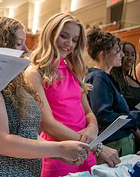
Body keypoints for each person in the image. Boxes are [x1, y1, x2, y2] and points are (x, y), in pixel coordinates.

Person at [0, 17, 90, 177]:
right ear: (0, 45)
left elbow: (27, 134)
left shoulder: (15, 82)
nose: (25, 49)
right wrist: (59, 148)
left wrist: (60, 154)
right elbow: (1, 143)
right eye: (18, 44)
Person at [25, 13, 120, 177]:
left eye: (75, 40)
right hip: (60, 154)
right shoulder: (35, 72)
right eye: (64, 36)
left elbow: (88, 112)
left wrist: (93, 127)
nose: (69, 44)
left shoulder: (73, 68)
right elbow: (48, 124)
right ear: (51, 34)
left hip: (86, 152)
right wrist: (97, 147)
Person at [85, 27, 140, 159]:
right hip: (114, 143)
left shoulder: (104, 77)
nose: (122, 55)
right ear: (103, 54)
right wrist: (132, 118)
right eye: (117, 51)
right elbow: (103, 115)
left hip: (120, 140)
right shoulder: (98, 78)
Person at [111, 41, 140, 111]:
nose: (130, 58)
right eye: (126, 54)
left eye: (133, 55)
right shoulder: (113, 80)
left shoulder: (131, 78)